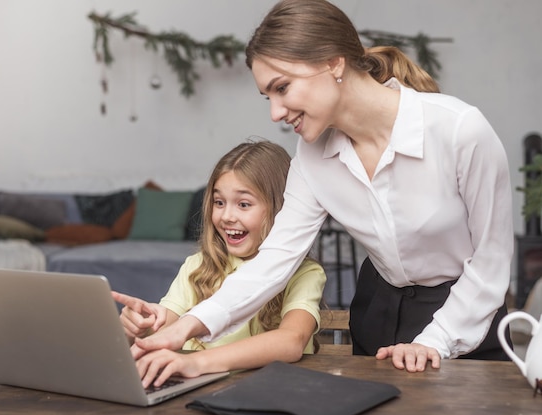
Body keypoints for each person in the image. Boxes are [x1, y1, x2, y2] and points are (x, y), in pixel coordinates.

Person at [129, 0, 514, 374]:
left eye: (282, 88)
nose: (275, 113)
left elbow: (491, 260)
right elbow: (272, 263)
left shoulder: (460, 130)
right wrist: (186, 326)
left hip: (467, 317)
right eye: (268, 96)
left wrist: (436, 340)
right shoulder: (313, 156)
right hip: (378, 315)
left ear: (333, 63)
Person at [112, 140, 327, 388]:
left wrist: (197, 363)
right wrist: (134, 328)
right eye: (219, 202)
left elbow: (291, 341)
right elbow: (164, 332)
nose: (227, 216)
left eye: (244, 204)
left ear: (281, 210)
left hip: (267, 392)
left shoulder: (305, 273)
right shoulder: (197, 266)